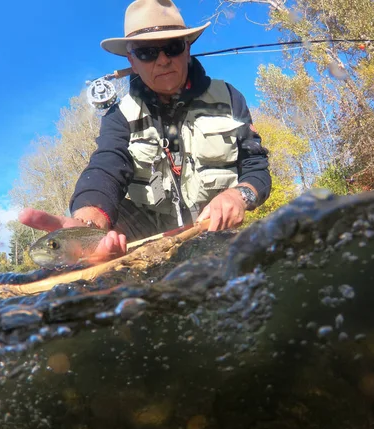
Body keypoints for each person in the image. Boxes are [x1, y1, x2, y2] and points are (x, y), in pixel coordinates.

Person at [19, 0, 272, 262]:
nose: (162, 60)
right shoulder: (120, 116)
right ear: (132, 60)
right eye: (147, 52)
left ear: (187, 49)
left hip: (213, 227)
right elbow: (106, 165)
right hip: (146, 228)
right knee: (99, 240)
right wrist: (88, 223)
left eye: (172, 47)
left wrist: (238, 196)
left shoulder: (230, 98)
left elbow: (256, 167)